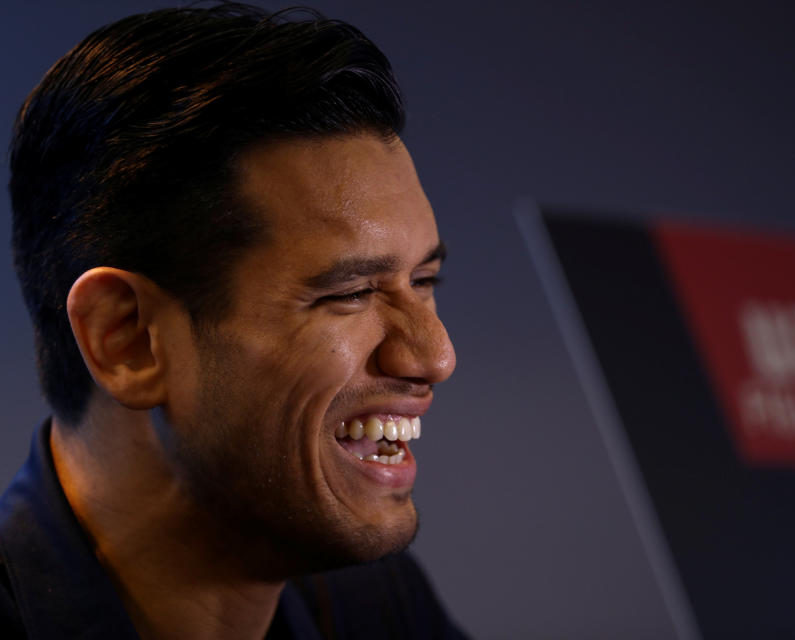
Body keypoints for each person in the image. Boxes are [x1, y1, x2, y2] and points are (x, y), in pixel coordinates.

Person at [0, 3, 464, 638]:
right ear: (127, 339)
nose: (434, 356)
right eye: (351, 293)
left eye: (424, 282)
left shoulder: (372, 605)